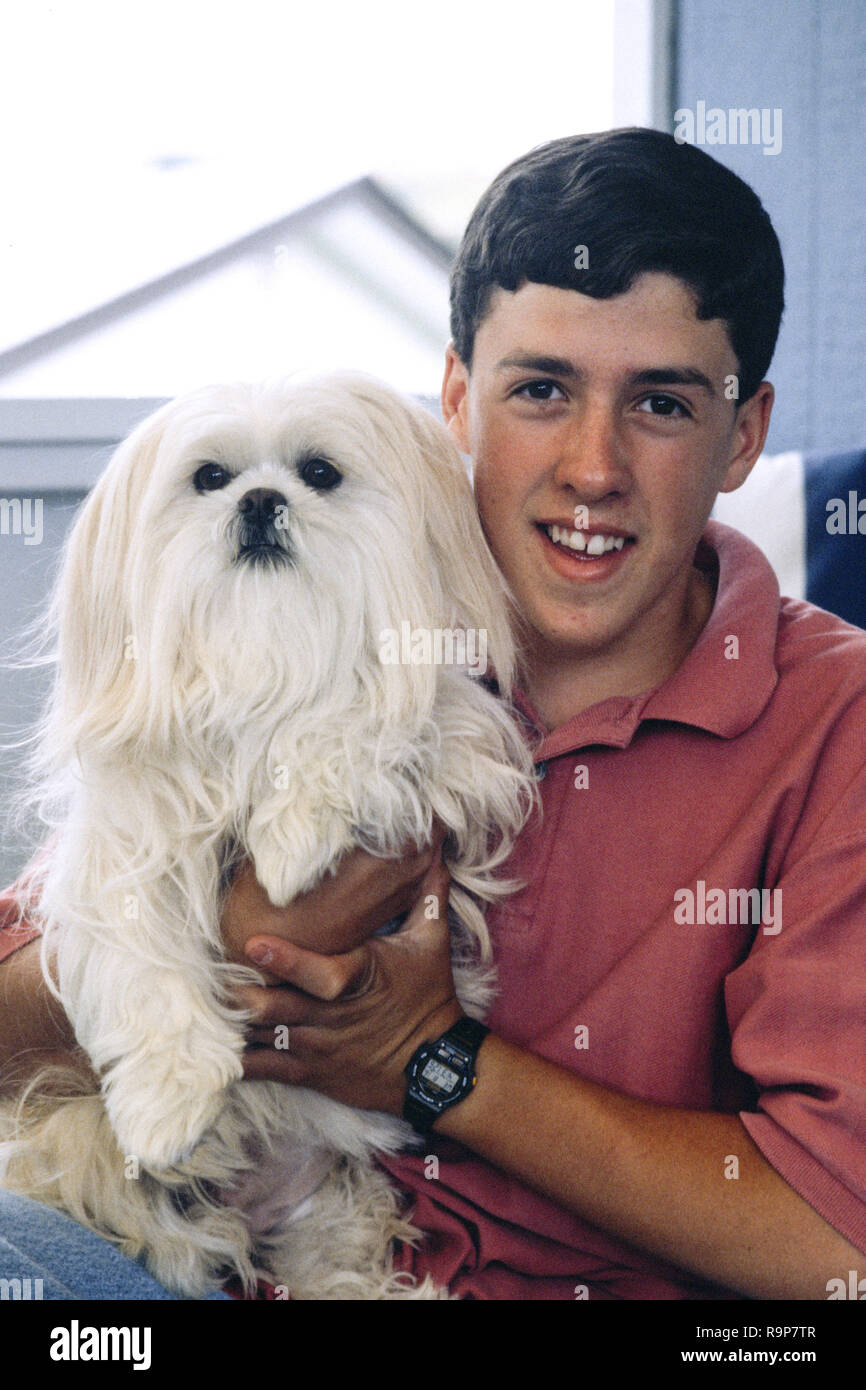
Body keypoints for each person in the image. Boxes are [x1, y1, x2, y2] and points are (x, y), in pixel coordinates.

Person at [2, 128, 866, 1301]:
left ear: (743, 435)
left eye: (659, 403)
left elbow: (837, 1252)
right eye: (541, 391)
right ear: (457, 397)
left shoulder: (833, 724)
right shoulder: (324, 597)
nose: (591, 467)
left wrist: (431, 1063)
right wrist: (220, 937)